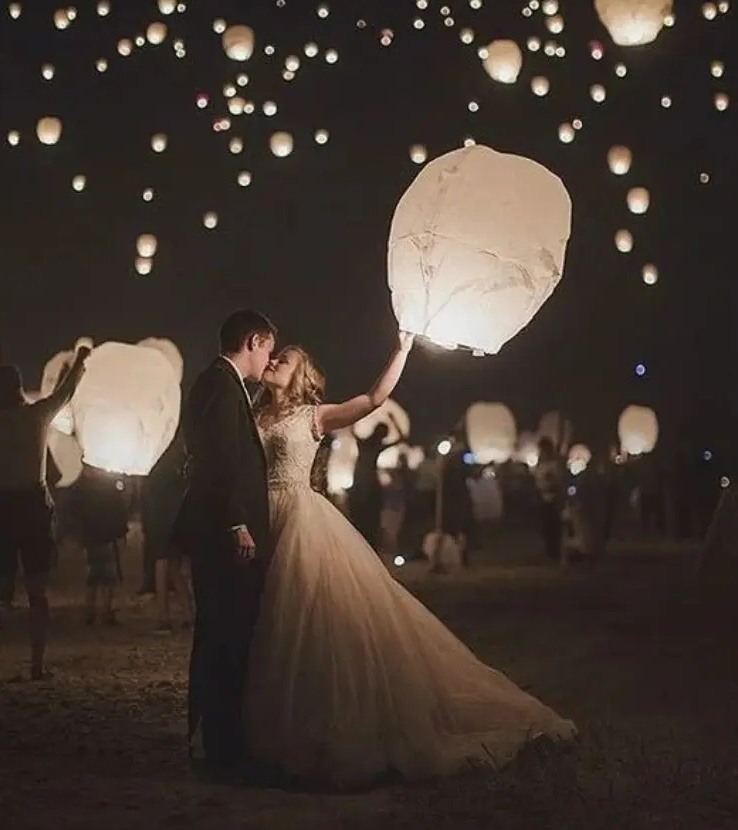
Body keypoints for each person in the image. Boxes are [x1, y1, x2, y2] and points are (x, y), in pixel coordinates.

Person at [244, 332, 575, 789]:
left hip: (299, 518)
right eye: (275, 356)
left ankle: (315, 724)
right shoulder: (254, 412)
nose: (276, 361)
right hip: (259, 519)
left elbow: (375, 398)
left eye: (286, 358)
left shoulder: (313, 416)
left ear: (301, 376)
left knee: (303, 619)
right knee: (262, 622)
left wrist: (401, 350)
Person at [170, 310, 276, 778]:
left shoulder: (222, 384)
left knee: (223, 635)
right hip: (222, 532)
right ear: (253, 341)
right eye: (268, 349)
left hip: (220, 529)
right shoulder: (219, 385)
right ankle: (221, 749)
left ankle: (217, 742)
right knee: (224, 636)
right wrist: (237, 523)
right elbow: (219, 461)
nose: (268, 360)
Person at [0, 346, 90, 681]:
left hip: (1, 507)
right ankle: (37, 665)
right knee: (37, 590)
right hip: (33, 506)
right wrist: (81, 361)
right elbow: (66, 393)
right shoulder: (36, 416)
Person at [142, 430, 193, 633]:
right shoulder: (177, 447)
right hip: (172, 509)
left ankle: (164, 616)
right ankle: (188, 613)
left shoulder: (157, 450)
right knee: (172, 564)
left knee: (164, 563)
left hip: (163, 511)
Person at [75, 463, 128, 625]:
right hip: (101, 534)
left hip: (96, 534)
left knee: (97, 572)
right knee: (104, 573)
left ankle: (93, 610)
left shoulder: (87, 487)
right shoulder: (102, 487)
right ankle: (100, 611)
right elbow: (116, 509)